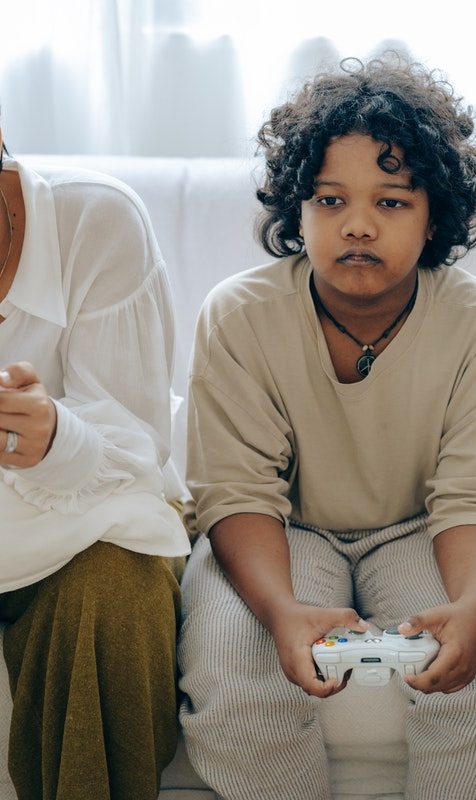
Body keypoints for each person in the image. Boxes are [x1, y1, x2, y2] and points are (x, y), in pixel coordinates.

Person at [177, 55, 476, 800]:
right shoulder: (239, 316)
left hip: (424, 528)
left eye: (391, 202)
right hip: (283, 531)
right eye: (329, 200)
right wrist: (283, 612)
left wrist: (474, 609)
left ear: (433, 217)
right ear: (297, 213)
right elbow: (236, 491)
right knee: (231, 660)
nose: (357, 224)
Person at [0, 128, 191, 797]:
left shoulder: (94, 221)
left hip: (86, 523)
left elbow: (138, 449)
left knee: (115, 586)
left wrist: (57, 440)